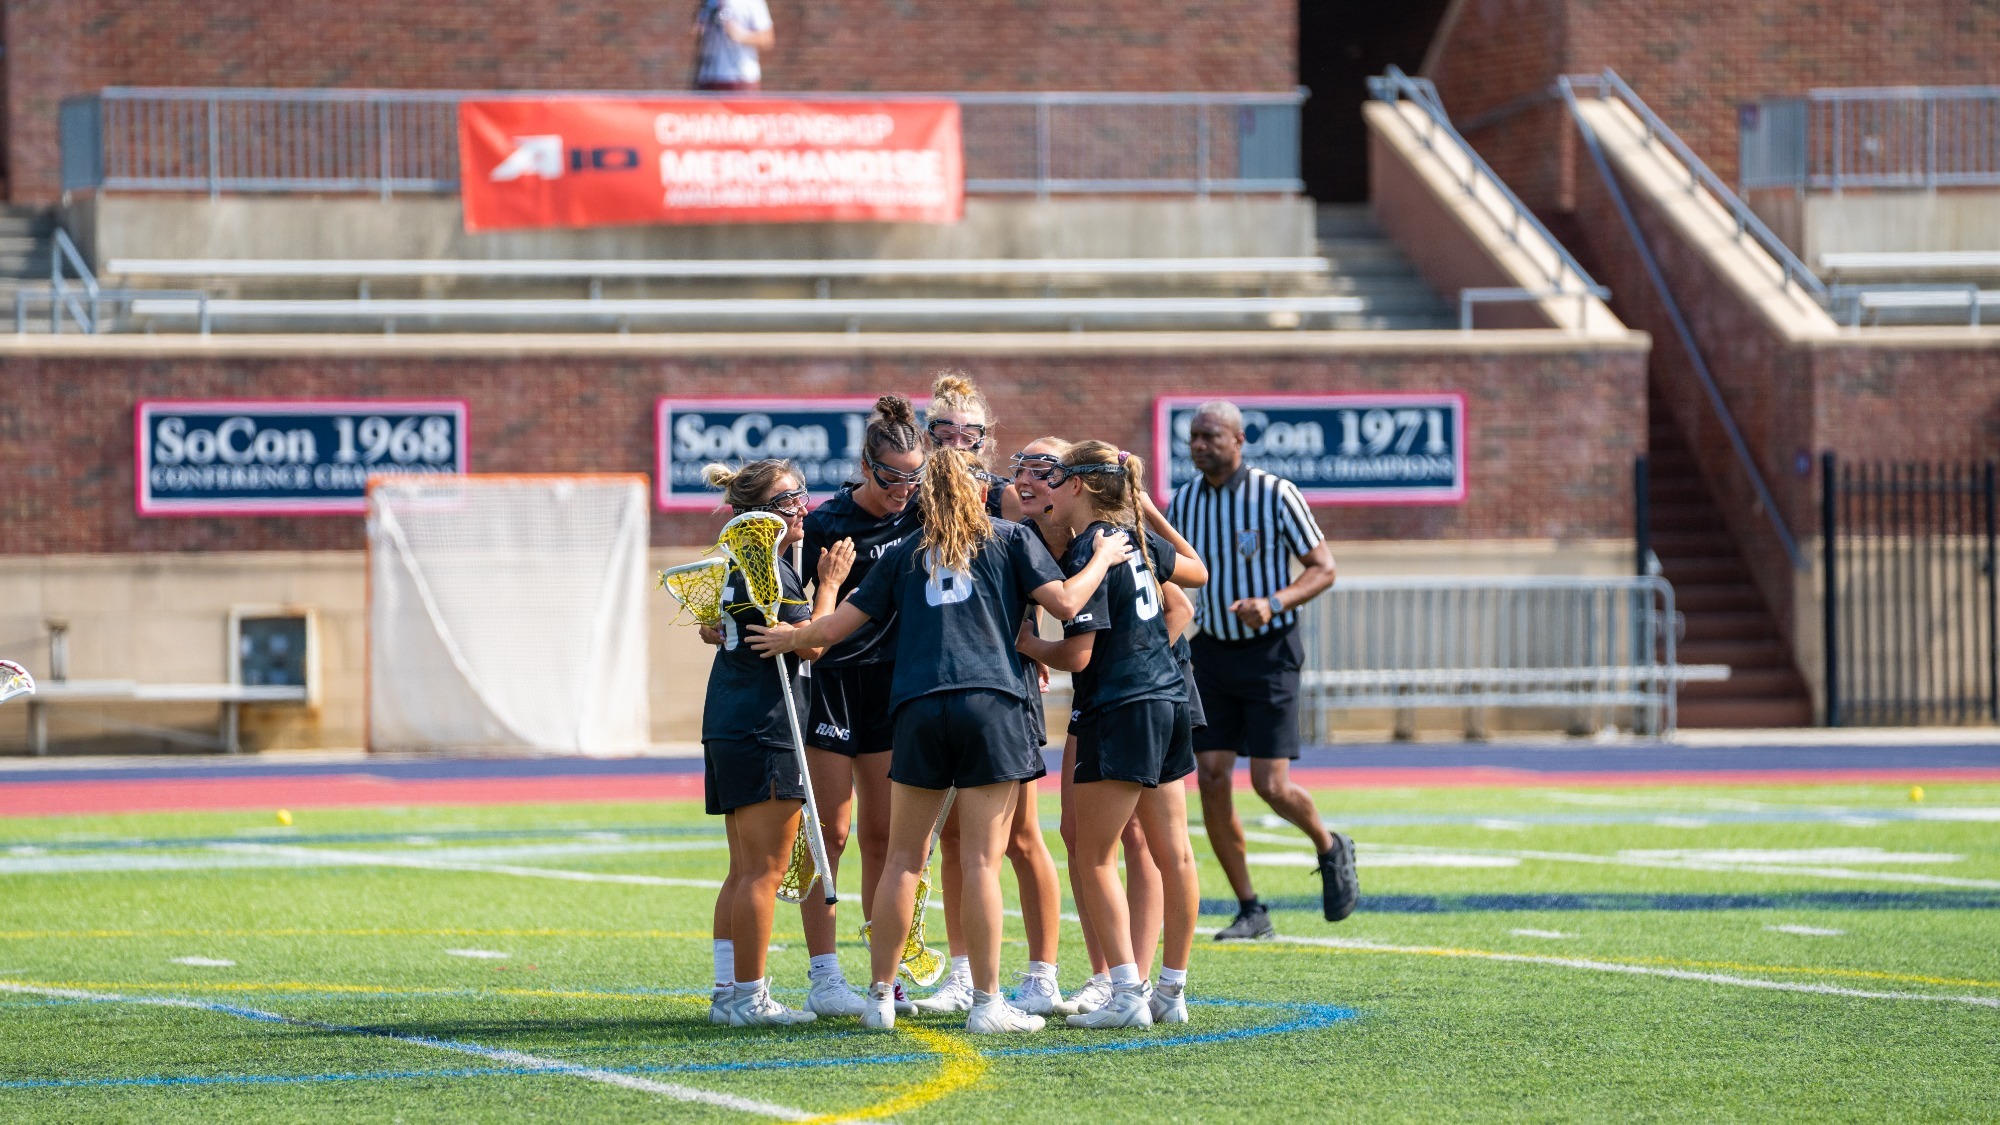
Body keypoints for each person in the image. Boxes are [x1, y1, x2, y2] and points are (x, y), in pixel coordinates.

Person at [748, 447, 1131, 1034]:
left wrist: (787, 636)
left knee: (903, 858)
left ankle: (879, 998)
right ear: (978, 494)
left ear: (926, 497)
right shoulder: (1009, 538)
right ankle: (986, 1003)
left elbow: (837, 627)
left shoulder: (904, 553)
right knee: (980, 858)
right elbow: (1068, 602)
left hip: (918, 709)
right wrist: (1103, 555)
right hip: (991, 705)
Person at [1013, 439, 1206, 1016]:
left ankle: (1124, 992)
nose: (1048, 489)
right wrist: (1147, 510)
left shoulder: (1088, 553)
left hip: (1120, 707)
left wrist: (1026, 644)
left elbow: (1077, 657)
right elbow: (1195, 574)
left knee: (1093, 856)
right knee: (1177, 855)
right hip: (1169, 700)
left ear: (1077, 485)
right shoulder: (1136, 541)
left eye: (1058, 478)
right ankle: (1170, 989)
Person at [1164, 400, 1359, 939]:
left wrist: (1274, 602)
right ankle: (1251, 908)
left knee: (1271, 785)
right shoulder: (1183, 502)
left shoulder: (1276, 494)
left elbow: (1324, 568)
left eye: (1210, 436)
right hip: (1211, 654)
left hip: (1271, 650)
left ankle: (1329, 843)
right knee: (1211, 777)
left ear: (1239, 438)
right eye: (1193, 437)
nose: (1199, 446)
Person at [915, 372, 1068, 1017]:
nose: (955, 440)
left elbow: (1041, 574)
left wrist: (1034, 639)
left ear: (985, 438)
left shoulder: (1006, 500)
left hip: (1002, 683)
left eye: (968, 431)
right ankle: (961, 971)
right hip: (940, 680)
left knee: (1022, 836)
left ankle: (1042, 973)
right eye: (943, 429)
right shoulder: (913, 493)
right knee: (954, 838)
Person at [699, 459, 849, 1027]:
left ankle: (727, 994)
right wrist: (829, 587)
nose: (802, 508)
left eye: (802, 495)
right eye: (788, 501)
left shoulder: (741, 566)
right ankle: (751, 997)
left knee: (742, 869)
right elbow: (809, 645)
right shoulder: (771, 572)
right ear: (759, 516)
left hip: (731, 718)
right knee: (763, 869)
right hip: (765, 724)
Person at [791, 395, 926, 1018]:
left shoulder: (923, 513)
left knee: (884, 836)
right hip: (836, 682)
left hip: (895, 685)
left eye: (913, 476)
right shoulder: (827, 521)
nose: (903, 489)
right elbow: (806, 615)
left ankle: (885, 973)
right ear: (866, 466)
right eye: (892, 476)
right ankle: (824, 975)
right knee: (830, 833)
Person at [690, 0, 774, 92]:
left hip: (740, 78)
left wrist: (741, 35)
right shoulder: (709, 2)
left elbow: (767, 38)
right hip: (708, 77)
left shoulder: (753, 2)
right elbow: (696, 31)